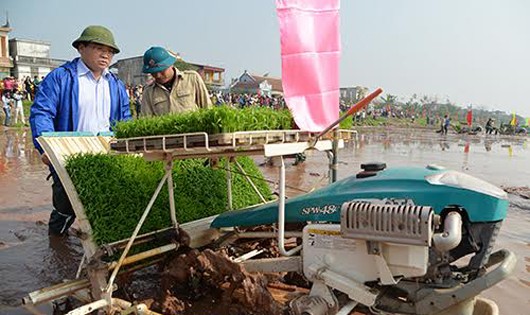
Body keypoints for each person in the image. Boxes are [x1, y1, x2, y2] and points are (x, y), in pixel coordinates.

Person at [29, 25, 132, 236]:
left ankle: (99, 247)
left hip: (106, 154)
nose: (105, 55)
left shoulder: (115, 84)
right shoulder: (61, 78)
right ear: (81, 48)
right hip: (68, 152)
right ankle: (57, 242)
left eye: (110, 51)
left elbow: (125, 119)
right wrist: (45, 147)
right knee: (65, 205)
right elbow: (42, 113)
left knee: (104, 203)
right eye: (98, 48)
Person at [140, 46, 211, 116]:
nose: (158, 75)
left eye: (161, 71)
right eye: (153, 72)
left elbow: (207, 109)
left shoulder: (192, 79)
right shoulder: (148, 92)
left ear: (171, 65)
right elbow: (146, 121)